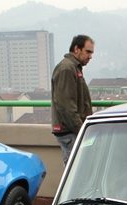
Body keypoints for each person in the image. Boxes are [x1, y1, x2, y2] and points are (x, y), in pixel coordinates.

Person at [51, 34, 95, 164]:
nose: (90, 56)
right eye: (88, 52)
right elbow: (66, 106)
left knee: (80, 169)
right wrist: (82, 130)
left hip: (72, 130)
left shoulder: (73, 68)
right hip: (70, 132)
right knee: (76, 170)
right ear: (77, 49)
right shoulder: (67, 69)